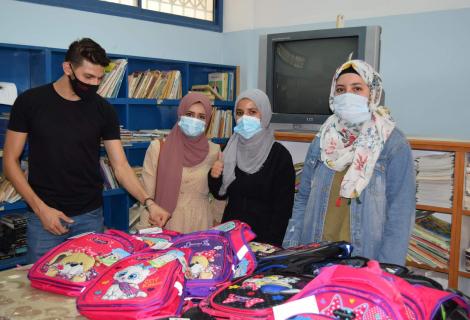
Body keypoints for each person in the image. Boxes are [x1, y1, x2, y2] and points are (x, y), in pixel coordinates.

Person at [3, 38, 170, 263]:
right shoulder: (30, 102)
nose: (94, 84)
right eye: (87, 77)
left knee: (90, 285)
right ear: (67, 68)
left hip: (89, 216)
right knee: (41, 291)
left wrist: (149, 202)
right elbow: (10, 161)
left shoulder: (104, 110)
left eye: (100, 78)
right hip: (43, 218)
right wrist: (41, 209)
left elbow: (120, 166)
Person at [282, 60, 416, 265]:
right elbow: (303, 199)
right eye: (341, 90)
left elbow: (400, 215)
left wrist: (387, 270)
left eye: (357, 89)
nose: (347, 96)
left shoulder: (393, 143)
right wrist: (291, 250)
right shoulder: (322, 139)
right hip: (316, 256)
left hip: (364, 260)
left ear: (372, 93)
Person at [209, 89, 295, 246]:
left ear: (264, 114)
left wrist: (270, 246)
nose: (244, 118)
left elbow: (283, 210)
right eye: (240, 113)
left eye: (252, 112)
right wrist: (214, 176)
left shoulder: (279, 156)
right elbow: (220, 194)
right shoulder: (230, 147)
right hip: (230, 236)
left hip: (263, 240)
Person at [140, 92, 222, 233]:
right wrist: (145, 230)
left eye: (201, 117)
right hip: (166, 222)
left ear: (208, 120)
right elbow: (147, 194)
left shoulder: (214, 151)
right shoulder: (158, 148)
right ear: (181, 114)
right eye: (189, 114)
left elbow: (220, 193)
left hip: (201, 224)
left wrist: (217, 222)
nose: (195, 120)